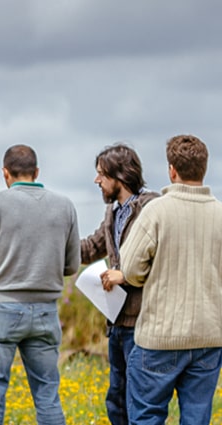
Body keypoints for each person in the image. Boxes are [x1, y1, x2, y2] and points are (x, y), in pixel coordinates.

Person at [0, 144, 80, 425]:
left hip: (0, 310)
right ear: (37, 172)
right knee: (47, 396)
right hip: (45, 312)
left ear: (6, 174)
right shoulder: (65, 205)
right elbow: (71, 266)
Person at [120, 134, 222, 424]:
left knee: (147, 416)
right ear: (204, 168)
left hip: (159, 337)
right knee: (196, 418)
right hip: (209, 336)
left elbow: (129, 270)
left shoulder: (157, 211)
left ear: (171, 170)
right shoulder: (220, 214)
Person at [79, 143, 159, 425]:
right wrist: (51, 246)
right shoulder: (113, 213)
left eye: (101, 174)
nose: (96, 180)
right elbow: (90, 248)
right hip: (117, 324)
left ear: (120, 176)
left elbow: (158, 261)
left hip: (142, 322)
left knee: (141, 401)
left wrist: (124, 274)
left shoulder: (152, 208)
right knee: (116, 400)